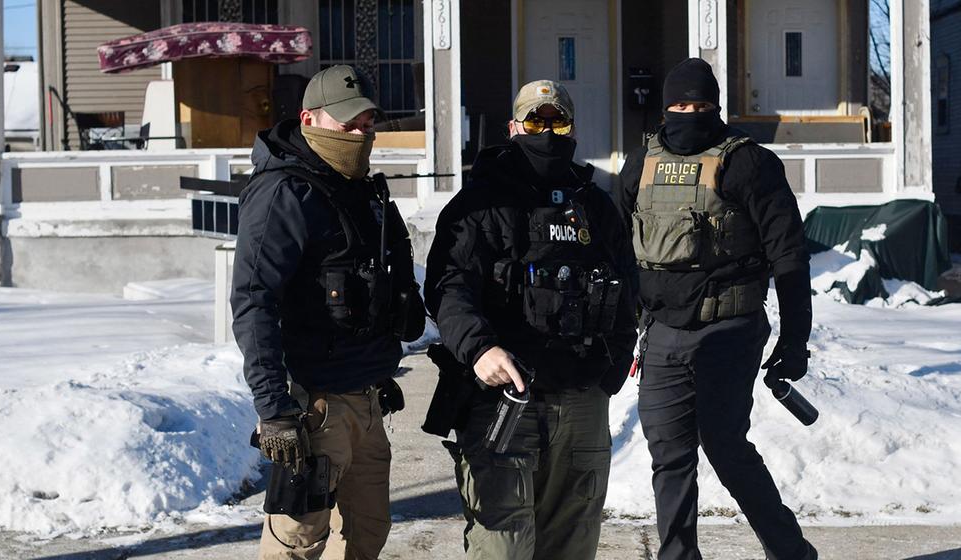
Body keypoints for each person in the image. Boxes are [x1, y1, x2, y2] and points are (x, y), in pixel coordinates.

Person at [423, 80, 638, 559]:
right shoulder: (481, 205)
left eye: (556, 121)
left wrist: (613, 367)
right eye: (535, 122)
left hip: (582, 402)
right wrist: (480, 349)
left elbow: (628, 290)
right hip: (504, 402)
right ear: (514, 127)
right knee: (503, 547)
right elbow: (446, 287)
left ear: (572, 128)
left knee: (573, 544)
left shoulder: (595, 206)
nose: (546, 132)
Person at [616, 58, 818, 560]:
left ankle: (791, 553)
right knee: (669, 455)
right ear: (665, 108)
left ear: (717, 107)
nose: (690, 113)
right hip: (661, 331)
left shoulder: (748, 163)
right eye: (681, 105)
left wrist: (795, 338)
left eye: (701, 105)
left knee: (725, 447)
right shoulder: (642, 163)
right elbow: (617, 246)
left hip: (729, 328)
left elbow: (789, 253)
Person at [231, 65, 423, 560]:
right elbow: (254, 302)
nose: (360, 134)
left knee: (366, 535)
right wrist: (274, 409)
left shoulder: (360, 190)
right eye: (347, 123)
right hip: (311, 408)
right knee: (295, 545)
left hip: (367, 399)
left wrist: (380, 366)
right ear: (309, 119)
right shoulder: (284, 193)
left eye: (367, 123)